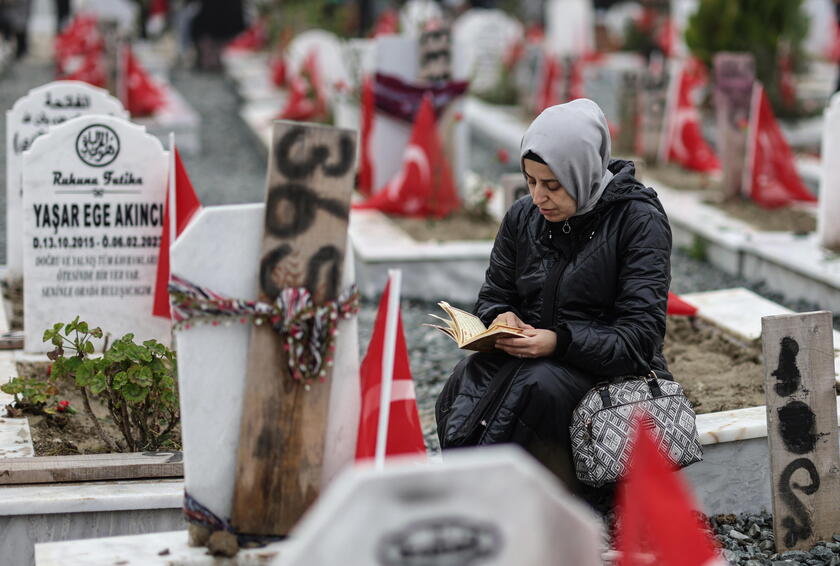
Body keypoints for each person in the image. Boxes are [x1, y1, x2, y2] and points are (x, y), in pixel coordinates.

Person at [435, 98, 672, 507]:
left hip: (609, 373)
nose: (538, 196)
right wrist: (500, 318)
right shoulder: (522, 217)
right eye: (530, 181)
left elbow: (639, 338)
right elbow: (494, 295)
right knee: (467, 377)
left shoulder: (638, 221)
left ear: (581, 173)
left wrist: (558, 341)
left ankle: (507, 504)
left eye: (552, 184)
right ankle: (470, 493)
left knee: (536, 389)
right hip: (534, 355)